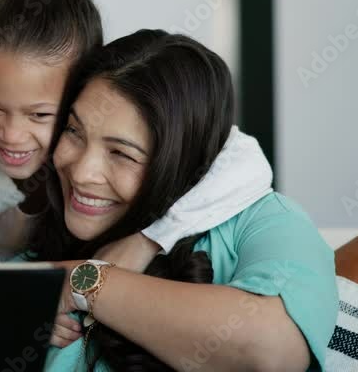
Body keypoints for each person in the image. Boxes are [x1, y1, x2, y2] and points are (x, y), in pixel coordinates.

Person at [0, 0, 274, 265]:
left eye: (39, 115)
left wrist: (148, 241)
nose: (11, 134)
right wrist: (44, 301)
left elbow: (246, 163)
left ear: (82, 91)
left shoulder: (105, 109)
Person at [31, 30, 338, 371]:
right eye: (74, 131)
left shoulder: (267, 222)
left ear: (179, 159)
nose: (82, 172)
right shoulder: (38, 228)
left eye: (121, 153)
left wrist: (85, 281)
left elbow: (272, 351)